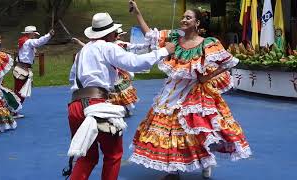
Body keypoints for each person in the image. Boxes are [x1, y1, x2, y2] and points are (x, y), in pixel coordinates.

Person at [128, 1, 252, 179]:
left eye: (188, 17)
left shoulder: (207, 43)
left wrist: (208, 76)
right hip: (171, 92)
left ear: (197, 23)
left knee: (199, 131)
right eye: (183, 17)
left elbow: (228, 62)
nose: (184, 20)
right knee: (170, 129)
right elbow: (150, 35)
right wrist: (137, 13)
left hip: (196, 94)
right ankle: (173, 170)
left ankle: (206, 161)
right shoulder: (174, 39)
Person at [67, 12, 175, 180]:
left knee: (87, 157)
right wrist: (163, 51)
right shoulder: (108, 47)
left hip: (75, 106)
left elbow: (72, 78)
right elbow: (135, 63)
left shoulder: (82, 52)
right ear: (109, 33)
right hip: (97, 104)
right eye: (114, 32)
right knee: (113, 154)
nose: (116, 35)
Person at [13, 26, 54, 118]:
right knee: (20, 92)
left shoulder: (24, 41)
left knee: (19, 92)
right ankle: (13, 110)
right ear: (30, 33)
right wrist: (49, 35)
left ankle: (14, 110)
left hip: (22, 68)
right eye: (34, 34)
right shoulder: (28, 42)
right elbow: (39, 42)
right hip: (22, 69)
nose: (35, 35)